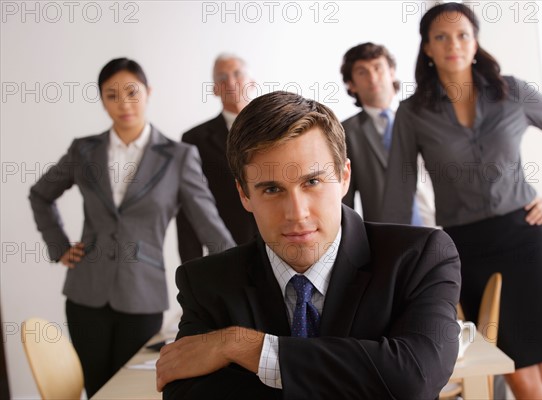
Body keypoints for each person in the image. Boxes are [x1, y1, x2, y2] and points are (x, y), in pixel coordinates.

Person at [156, 91, 461, 399]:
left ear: (344, 177)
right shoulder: (206, 283)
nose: (297, 213)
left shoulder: (421, 257)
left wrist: (243, 346)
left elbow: (414, 377)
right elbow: (186, 392)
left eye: (312, 182)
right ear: (244, 195)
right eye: (272, 189)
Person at [381, 3, 542, 399]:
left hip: (527, 240)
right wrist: (389, 265)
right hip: (470, 252)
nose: (453, 44)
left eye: (462, 35)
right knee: (519, 376)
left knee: (537, 375)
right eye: (440, 37)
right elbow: (396, 194)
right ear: (426, 47)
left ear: (476, 42)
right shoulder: (413, 113)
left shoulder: (514, 92)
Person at [29, 58, 236, 397]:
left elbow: (211, 229)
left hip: (143, 294)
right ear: (101, 99)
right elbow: (41, 195)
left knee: (136, 391)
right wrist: (59, 246)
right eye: (111, 95)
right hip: (86, 292)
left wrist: (225, 292)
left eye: (131, 92)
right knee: (97, 389)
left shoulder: (179, 156)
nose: (123, 103)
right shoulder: (84, 150)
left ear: (148, 92)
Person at [340, 42, 435, 226]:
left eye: (378, 68)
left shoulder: (422, 118)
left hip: (440, 223)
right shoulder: (346, 133)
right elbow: (345, 201)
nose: (373, 77)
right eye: (362, 72)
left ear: (392, 72)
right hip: (389, 235)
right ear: (351, 84)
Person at [176, 54, 258, 262]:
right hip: (225, 250)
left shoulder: (278, 129)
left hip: (279, 245)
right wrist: (190, 267)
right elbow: (188, 206)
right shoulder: (194, 139)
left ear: (252, 82)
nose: (230, 82)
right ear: (214, 89)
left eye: (237, 74)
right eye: (222, 78)